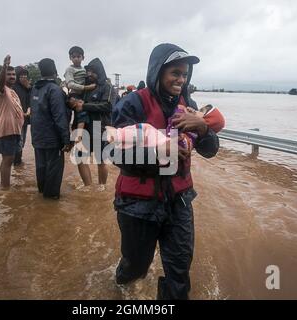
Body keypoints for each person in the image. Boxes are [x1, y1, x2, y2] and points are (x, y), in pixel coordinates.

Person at [111, 43, 220, 299]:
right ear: (158, 72)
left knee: (180, 271)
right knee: (135, 266)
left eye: (185, 74)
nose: (181, 79)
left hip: (179, 202)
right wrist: (162, 151)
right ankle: (121, 289)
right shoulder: (132, 104)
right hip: (137, 205)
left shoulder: (189, 104)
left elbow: (211, 150)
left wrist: (202, 128)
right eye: (175, 73)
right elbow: (112, 152)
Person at [69, 58, 113, 192]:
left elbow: (108, 106)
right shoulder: (86, 87)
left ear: (100, 72)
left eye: (93, 72)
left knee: (101, 160)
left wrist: (85, 106)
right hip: (84, 127)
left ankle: (102, 186)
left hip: (100, 127)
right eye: (88, 71)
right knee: (80, 157)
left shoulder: (107, 87)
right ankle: (88, 185)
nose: (89, 74)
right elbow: (74, 102)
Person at [30, 58, 71, 199]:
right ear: (54, 72)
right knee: (54, 169)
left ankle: (42, 194)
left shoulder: (35, 88)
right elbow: (60, 117)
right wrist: (66, 139)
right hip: (52, 139)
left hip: (37, 137)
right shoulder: (54, 90)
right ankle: (50, 200)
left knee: (41, 167)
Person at [0, 55, 25, 189]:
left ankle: (6, 186)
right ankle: (4, 188)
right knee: (7, 160)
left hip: (16, 131)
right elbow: (0, 83)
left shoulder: (12, 91)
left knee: (11, 159)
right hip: (6, 130)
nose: (12, 76)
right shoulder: (1, 89)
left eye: (13, 74)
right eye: (9, 74)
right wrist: (4, 66)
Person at [63, 46, 97, 143]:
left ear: (83, 57)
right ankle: (79, 136)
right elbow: (70, 84)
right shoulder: (69, 69)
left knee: (79, 116)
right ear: (70, 58)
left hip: (83, 95)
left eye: (78, 56)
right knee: (82, 112)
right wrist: (86, 87)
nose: (76, 59)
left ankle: (77, 134)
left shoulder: (84, 69)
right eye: (74, 57)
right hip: (74, 95)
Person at [12, 66, 32, 166]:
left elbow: (30, 101)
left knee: (22, 141)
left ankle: (18, 163)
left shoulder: (27, 88)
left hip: (25, 118)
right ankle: (16, 163)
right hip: (15, 119)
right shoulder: (13, 87)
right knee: (18, 141)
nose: (24, 77)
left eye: (25, 75)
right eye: (21, 75)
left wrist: (28, 110)